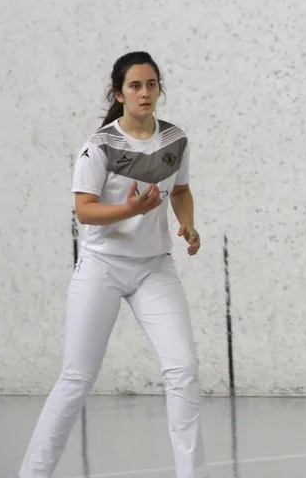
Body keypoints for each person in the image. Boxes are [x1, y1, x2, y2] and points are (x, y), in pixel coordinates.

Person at [19, 51, 207, 478]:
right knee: (77, 378)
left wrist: (188, 224)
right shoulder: (99, 146)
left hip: (154, 268)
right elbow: (85, 211)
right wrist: (130, 211)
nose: (144, 92)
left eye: (151, 84)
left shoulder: (176, 140)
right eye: (135, 86)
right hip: (101, 266)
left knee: (184, 369)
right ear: (119, 94)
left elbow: (180, 191)